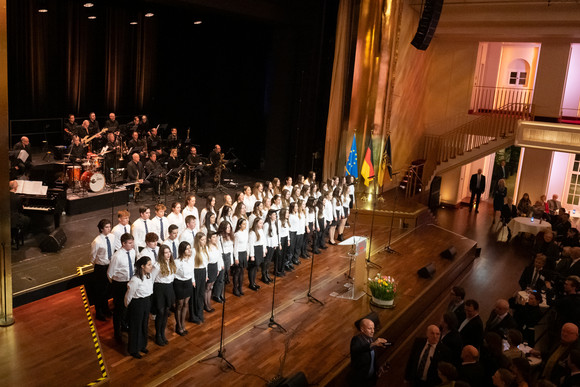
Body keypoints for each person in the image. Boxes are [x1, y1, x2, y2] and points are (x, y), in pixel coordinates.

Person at [107, 233, 136, 342]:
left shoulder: (132, 252)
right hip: (119, 284)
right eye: (129, 243)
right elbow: (110, 273)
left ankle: (125, 325)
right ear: (123, 244)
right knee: (119, 309)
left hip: (130, 282)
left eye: (132, 242)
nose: (132, 245)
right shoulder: (117, 256)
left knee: (128, 306)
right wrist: (116, 284)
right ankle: (117, 331)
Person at [124, 256, 154, 359]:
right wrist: (129, 306)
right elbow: (129, 295)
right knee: (136, 327)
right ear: (142, 266)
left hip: (146, 301)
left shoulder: (148, 276)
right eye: (149, 265)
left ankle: (142, 345)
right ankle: (133, 349)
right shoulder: (135, 279)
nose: (151, 267)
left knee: (144, 325)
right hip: (137, 304)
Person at [349, 318, 389, 386]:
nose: (373, 331)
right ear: (362, 329)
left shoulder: (372, 339)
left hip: (371, 380)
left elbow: (372, 359)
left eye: (373, 328)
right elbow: (359, 349)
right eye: (370, 328)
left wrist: (379, 369)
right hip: (360, 381)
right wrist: (373, 344)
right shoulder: (356, 340)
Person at [90, 219, 115, 321]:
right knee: (100, 290)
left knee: (108, 289)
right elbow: (93, 256)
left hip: (110, 265)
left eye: (109, 227)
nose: (109, 229)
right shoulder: (97, 241)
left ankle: (106, 308)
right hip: (101, 267)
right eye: (106, 227)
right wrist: (99, 263)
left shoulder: (112, 237)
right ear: (101, 229)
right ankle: (99, 311)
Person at [152, 245, 176, 347]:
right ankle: (158, 335)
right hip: (159, 289)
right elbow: (152, 279)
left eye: (169, 252)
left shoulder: (171, 263)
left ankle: (162, 333)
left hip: (169, 288)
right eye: (166, 253)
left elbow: (172, 277)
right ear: (162, 254)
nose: (168, 254)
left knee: (166, 311)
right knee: (160, 312)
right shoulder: (157, 265)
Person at [173, 241, 194, 336]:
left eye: (190, 248)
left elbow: (192, 271)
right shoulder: (177, 262)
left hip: (188, 282)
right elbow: (173, 274)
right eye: (187, 249)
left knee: (186, 303)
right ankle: (178, 325)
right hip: (179, 283)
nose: (189, 250)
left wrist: (193, 281)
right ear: (182, 250)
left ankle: (183, 324)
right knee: (180, 304)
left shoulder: (191, 259)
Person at [191, 232, 209, 324]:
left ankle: (200, 313)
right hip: (196, 273)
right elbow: (191, 266)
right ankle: (194, 316)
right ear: (198, 241)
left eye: (205, 239)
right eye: (202, 240)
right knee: (195, 295)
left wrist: (206, 275)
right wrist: (193, 279)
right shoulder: (194, 251)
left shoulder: (204, 249)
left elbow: (205, 264)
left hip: (202, 272)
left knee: (201, 294)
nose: (204, 241)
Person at [205, 232, 223, 312]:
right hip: (209, 267)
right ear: (209, 238)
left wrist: (218, 269)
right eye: (213, 237)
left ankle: (208, 303)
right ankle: (206, 304)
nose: (215, 239)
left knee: (211, 286)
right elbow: (205, 261)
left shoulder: (216, 246)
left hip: (215, 266)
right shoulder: (206, 248)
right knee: (207, 287)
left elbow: (219, 257)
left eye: (216, 237)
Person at [232, 218, 249, 297]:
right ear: (239, 225)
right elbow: (235, 247)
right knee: (237, 272)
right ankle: (235, 288)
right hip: (238, 253)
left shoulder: (246, 232)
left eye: (245, 224)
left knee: (242, 272)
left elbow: (247, 243)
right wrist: (236, 258)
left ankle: (240, 288)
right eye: (243, 224)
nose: (245, 225)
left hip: (244, 253)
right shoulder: (237, 234)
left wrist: (248, 254)